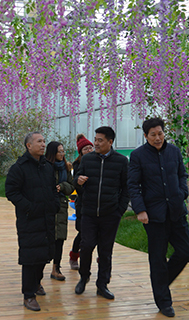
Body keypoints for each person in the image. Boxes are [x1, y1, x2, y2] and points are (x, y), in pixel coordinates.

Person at [127, 117, 189, 318]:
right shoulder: (138, 155)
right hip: (153, 216)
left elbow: (182, 174)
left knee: (186, 251)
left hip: (176, 210)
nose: (158, 138)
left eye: (161, 134)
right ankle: (164, 302)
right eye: (153, 135)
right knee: (157, 259)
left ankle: (160, 283)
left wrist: (182, 192)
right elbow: (133, 185)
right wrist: (140, 210)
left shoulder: (173, 151)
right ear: (146, 136)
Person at [5, 132, 60, 312]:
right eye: (39, 141)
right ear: (29, 146)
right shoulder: (19, 168)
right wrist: (29, 207)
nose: (43, 144)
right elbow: (11, 192)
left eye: (44, 141)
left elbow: (53, 189)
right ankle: (29, 295)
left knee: (45, 254)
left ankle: (37, 283)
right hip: (29, 220)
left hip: (47, 218)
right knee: (30, 258)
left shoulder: (47, 167)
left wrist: (55, 204)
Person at [73, 126, 129, 300]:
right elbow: (76, 182)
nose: (95, 143)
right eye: (95, 139)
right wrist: (78, 181)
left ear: (110, 142)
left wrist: (119, 211)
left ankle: (102, 285)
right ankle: (84, 277)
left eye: (100, 140)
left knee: (105, 251)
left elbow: (126, 188)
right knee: (87, 246)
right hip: (89, 213)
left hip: (110, 215)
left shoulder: (121, 161)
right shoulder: (87, 160)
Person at [44, 141, 74, 281]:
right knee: (45, 238)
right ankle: (40, 269)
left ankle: (56, 268)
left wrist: (61, 187)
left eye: (63, 151)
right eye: (59, 152)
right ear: (52, 153)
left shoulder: (66, 168)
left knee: (59, 239)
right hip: (47, 206)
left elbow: (71, 186)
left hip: (61, 206)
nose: (62, 154)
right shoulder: (44, 166)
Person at [69, 134, 94, 270]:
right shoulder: (77, 165)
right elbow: (76, 186)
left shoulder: (98, 161)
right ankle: (74, 257)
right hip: (83, 204)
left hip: (97, 204)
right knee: (82, 233)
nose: (89, 150)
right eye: (86, 149)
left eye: (91, 147)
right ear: (80, 152)